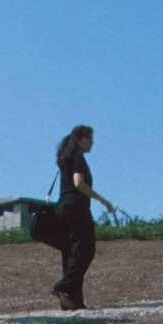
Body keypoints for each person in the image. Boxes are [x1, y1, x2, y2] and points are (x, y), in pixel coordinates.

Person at [51, 125, 118, 311]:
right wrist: (103, 200)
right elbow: (79, 184)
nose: (92, 143)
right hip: (76, 208)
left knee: (71, 252)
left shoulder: (66, 157)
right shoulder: (78, 158)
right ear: (80, 139)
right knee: (86, 249)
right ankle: (63, 286)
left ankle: (72, 300)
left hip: (63, 207)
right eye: (90, 139)